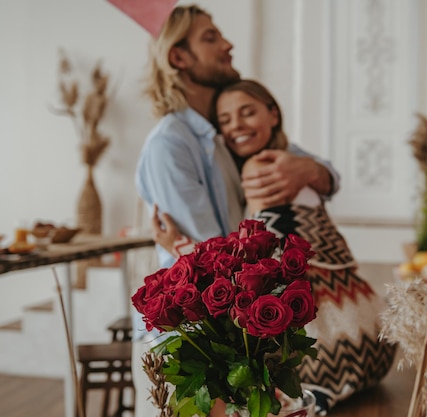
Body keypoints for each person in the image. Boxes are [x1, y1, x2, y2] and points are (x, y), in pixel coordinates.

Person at [133, 5, 341, 416]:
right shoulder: (171, 144)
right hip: (200, 345)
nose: (228, 45)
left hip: (242, 334)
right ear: (179, 57)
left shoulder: (228, 127)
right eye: (211, 38)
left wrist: (309, 169)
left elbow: (329, 177)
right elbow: (208, 258)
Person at [153, 79, 397, 416]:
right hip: (371, 340)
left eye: (247, 112)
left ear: (273, 114)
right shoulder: (290, 159)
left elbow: (244, 259)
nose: (235, 125)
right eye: (225, 120)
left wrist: (175, 245)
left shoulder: (262, 165)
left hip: (325, 354)